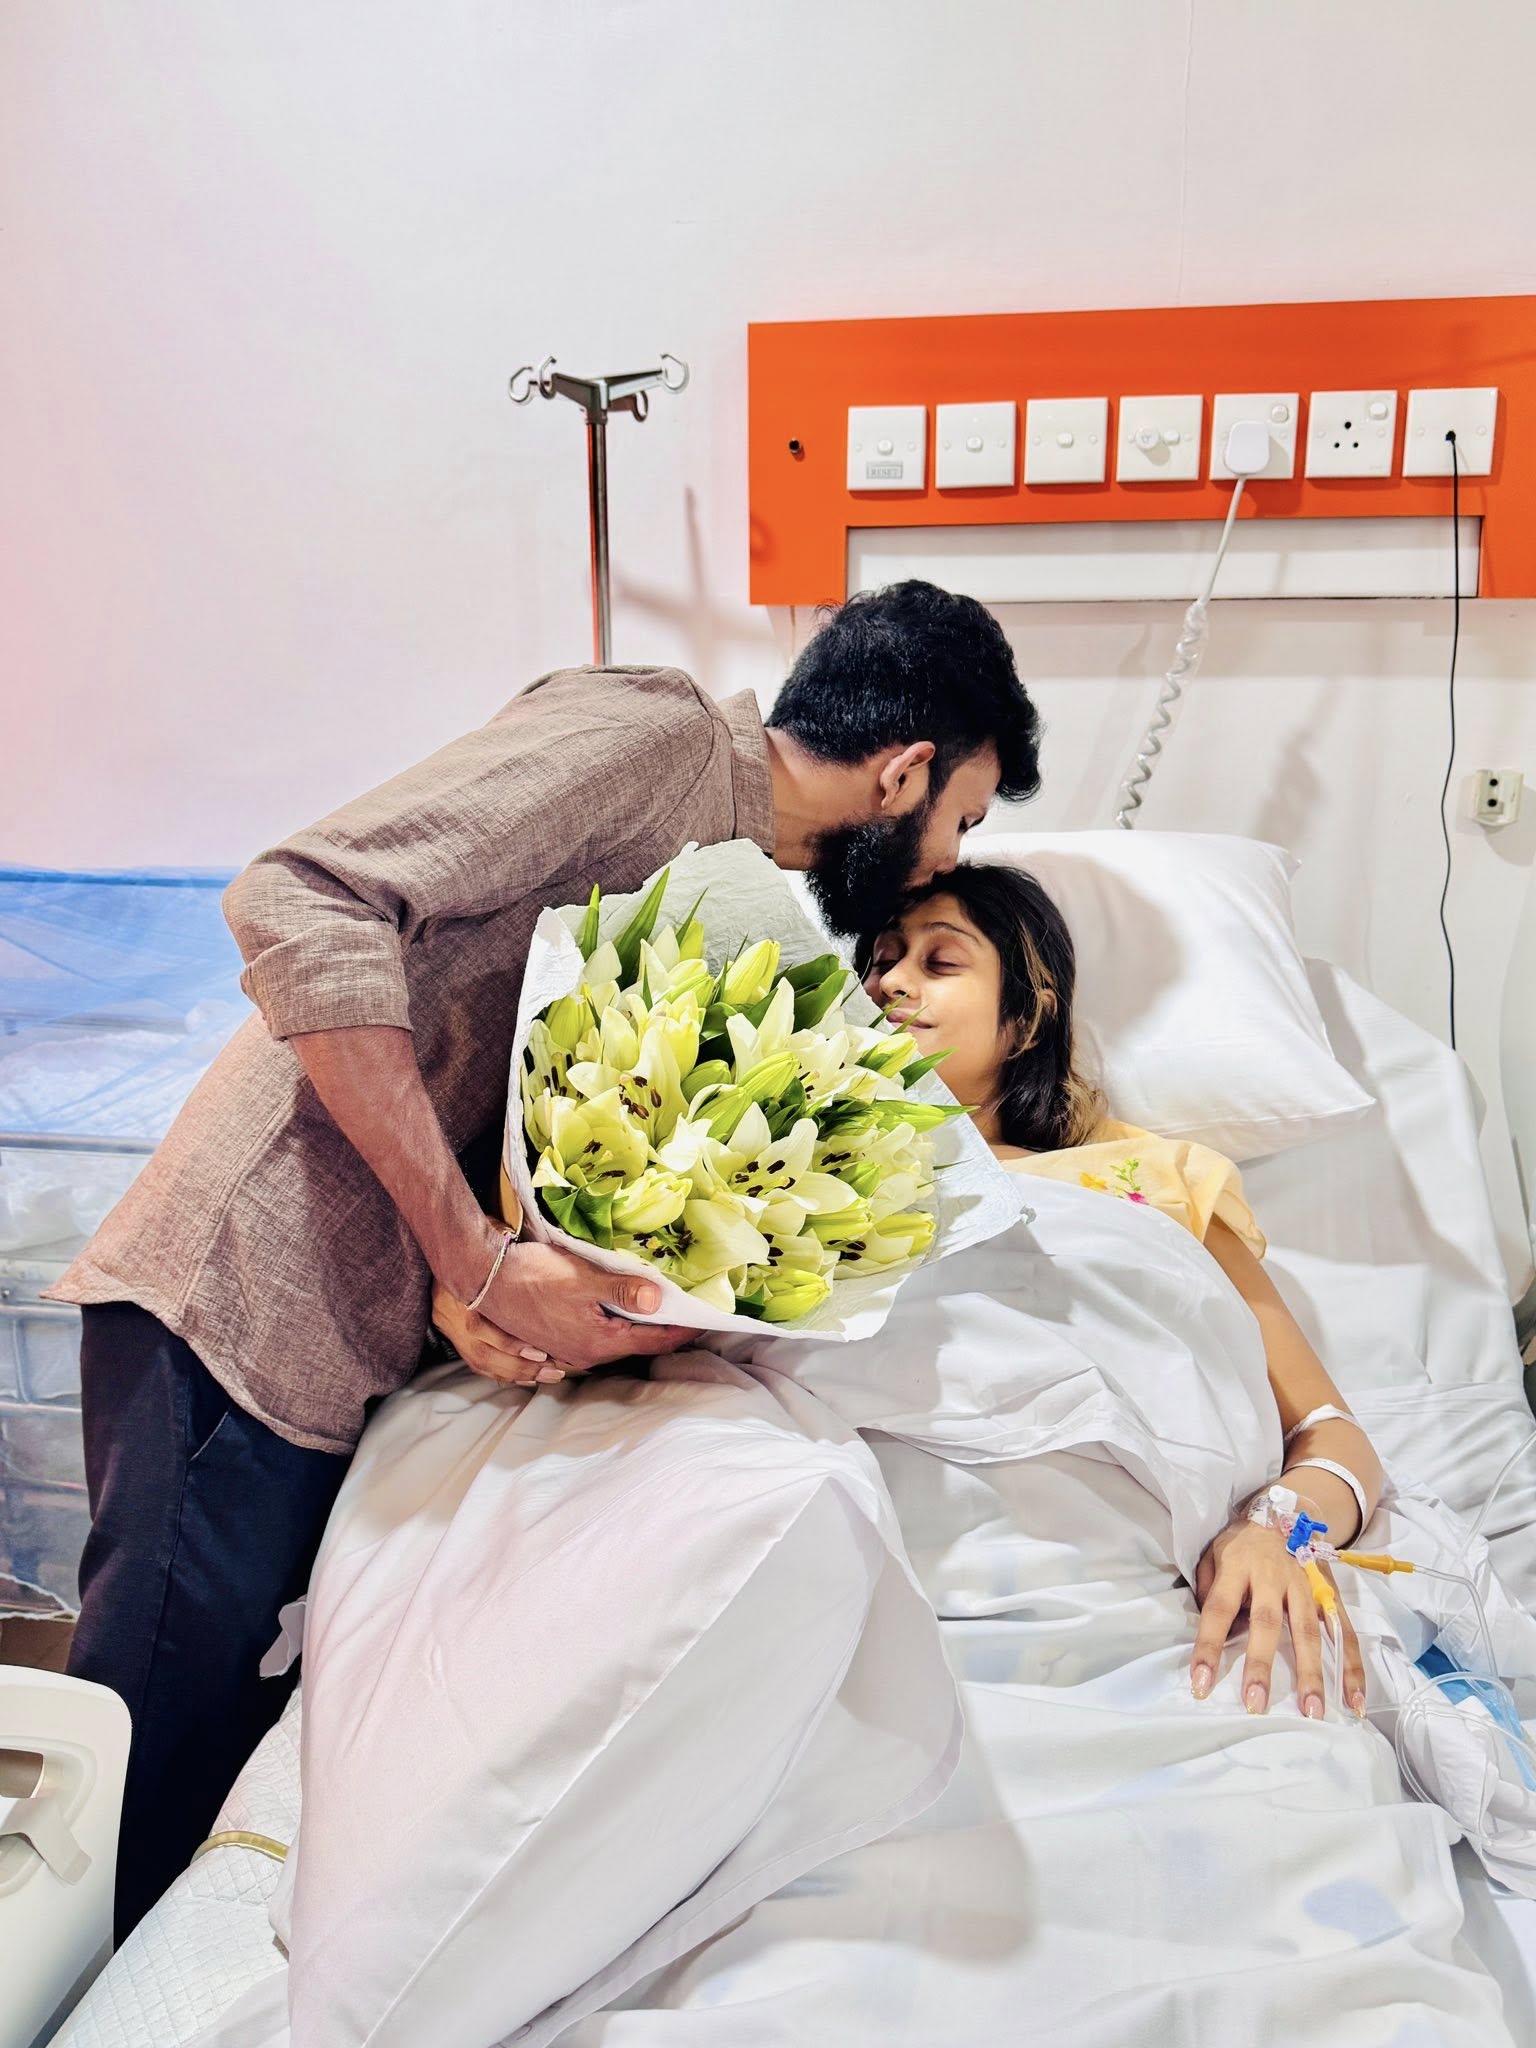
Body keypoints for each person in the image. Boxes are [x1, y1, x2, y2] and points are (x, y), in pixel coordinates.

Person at [50, 581, 1042, 1939]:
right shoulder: (653, 736)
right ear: (905, 771)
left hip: (342, 1342)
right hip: (237, 1313)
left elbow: (504, 1083)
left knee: (210, 1774)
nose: (940, 861)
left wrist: (519, 1282)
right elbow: (301, 898)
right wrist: (468, 1255)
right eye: (961, 820)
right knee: (128, 1795)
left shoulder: (726, 892)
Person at [857, 861, 1386, 1724]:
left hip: (1117, 1581)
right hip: (869, 1549)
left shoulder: (1154, 1180)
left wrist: (1280, 1530)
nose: (889, 983)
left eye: (939, 962)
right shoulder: (798, 1184)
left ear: (1027, 1017)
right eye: (881, 961)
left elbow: (1334, 1435)